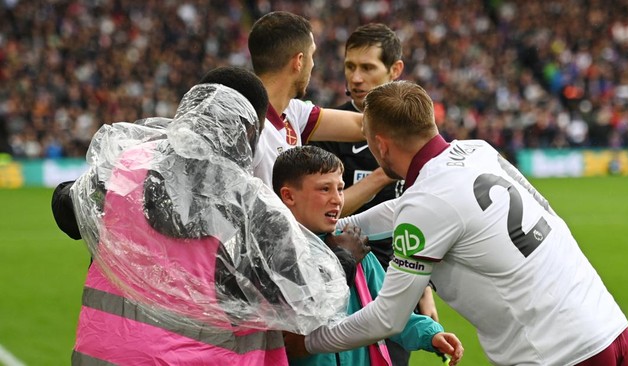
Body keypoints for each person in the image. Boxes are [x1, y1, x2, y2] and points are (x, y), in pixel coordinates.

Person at [286, 81, 628, 366]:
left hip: (559, 353)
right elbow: (406, 209)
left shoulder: (427, 203)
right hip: (609, 327)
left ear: (380, 144)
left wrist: (309, 343)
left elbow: (387, 318)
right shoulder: (477, 150)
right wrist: (332, 228)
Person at [65, 66, 363, 365]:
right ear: (249, 131)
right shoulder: (250, 205)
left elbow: (67, 209)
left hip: (101, 354)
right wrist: (344, 257)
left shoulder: (126, 169)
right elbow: (311, 301)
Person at [310, 23, 439, 365]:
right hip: (346, 278)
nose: (355, 78)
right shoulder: (328, 129)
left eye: (367, 68)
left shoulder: (415, 132)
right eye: (350, 67)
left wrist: (425, 292)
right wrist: (384, 174)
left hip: (400, 279)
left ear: (395, 70)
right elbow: (324, 214)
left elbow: (417, 217)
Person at [272, 145, 463, 366]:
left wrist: (430, 334)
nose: (337, 199)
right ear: (288, 196)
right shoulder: (274, 252)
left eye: (341, 189)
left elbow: (389, 309)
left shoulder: (357, 249)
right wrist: (343, 259)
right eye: (324, 189)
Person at [247, 11, 366, 187]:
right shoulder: (249, 125)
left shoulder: (293, 111)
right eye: (312, 55)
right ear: (299, 61)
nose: (313, 64)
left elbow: (361, 125)